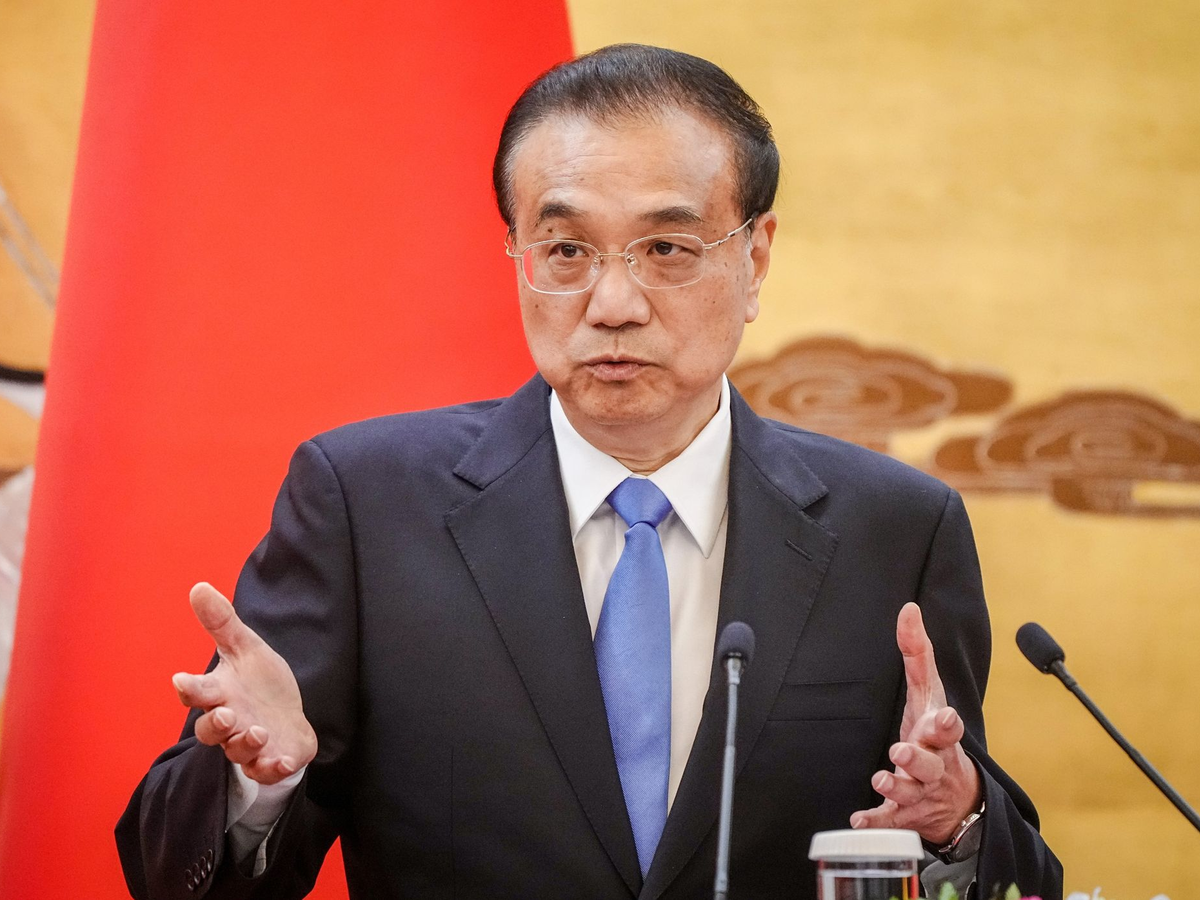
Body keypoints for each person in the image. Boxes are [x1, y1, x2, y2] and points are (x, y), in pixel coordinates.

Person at [117, 44, 1061, 900]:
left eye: (667, 250)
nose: (613, 303)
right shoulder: (365, 506)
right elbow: (169, 876)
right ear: (517, 256)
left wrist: (957, 819)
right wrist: (254, 784)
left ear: (757, 257)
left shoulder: (894, 529)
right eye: (566, 250)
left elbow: (1020, 878)